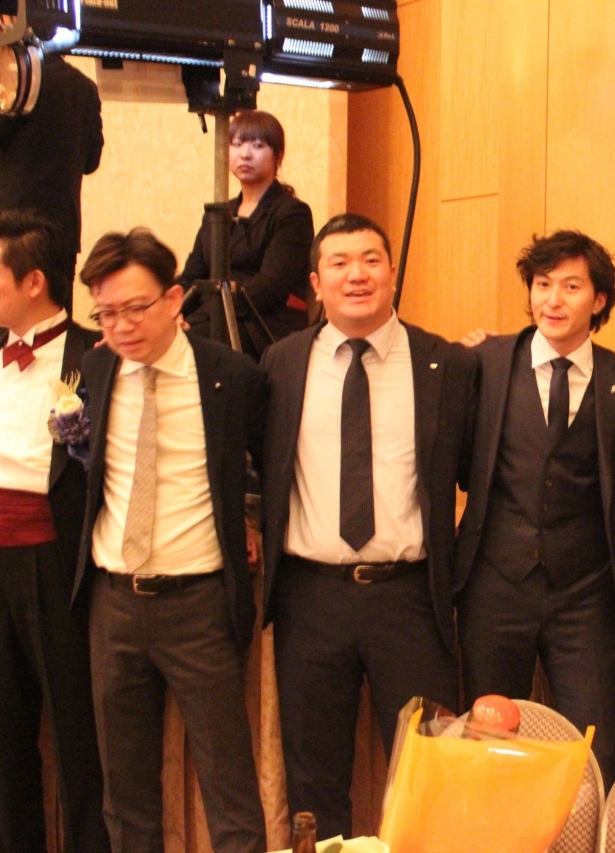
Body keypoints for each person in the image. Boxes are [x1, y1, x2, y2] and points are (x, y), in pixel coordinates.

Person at [259, 213, 477, 838]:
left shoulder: (444, 364)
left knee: (426, 776)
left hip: (409, 600)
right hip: (310, 598)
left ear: (392, 274)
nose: (356, 274)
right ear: (316, 282)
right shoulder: (282, 362)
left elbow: (477, 470)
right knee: (315, 780)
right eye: (339, 263)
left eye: (371, 260)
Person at [74, 228, 267, 853]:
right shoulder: (96, 369)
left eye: (135, 307)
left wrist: (251, 520)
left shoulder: (230, 375)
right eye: (106, 313)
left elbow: (271, 464)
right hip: (113, 604)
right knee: (126, 794)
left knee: (228, 785)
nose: (121, 326)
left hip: (198, 605)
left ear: (175, 298)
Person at [455, 230, 615, 787]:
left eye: (571, 286)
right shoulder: (485, 363)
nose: (553, 300)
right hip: (495, 585)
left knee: (598, 749)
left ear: (599, 300)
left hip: (584, 592)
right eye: (542, 285)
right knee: (487, 748)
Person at [0, 211, 108, 853]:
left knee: (75, 730)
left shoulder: (95, 356)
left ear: (34, 281)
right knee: (5, 731)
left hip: (53, 558)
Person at [180, 110, 314, 360]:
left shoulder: (292, 212)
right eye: (237, 144)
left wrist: (206, 311)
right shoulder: (217, 214)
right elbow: (192, 275)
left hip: (264, 322)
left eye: (258, 145)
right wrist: (172, 311)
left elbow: (270, 287)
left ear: (278, 156)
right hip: (214, 314)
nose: (245, 154)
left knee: (188, 345)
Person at [0, 52, 103, 307]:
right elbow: (91, 161)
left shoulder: (13, 79)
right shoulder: (85, 87)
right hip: (62, 230)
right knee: (55, 320)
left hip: (10, 230)